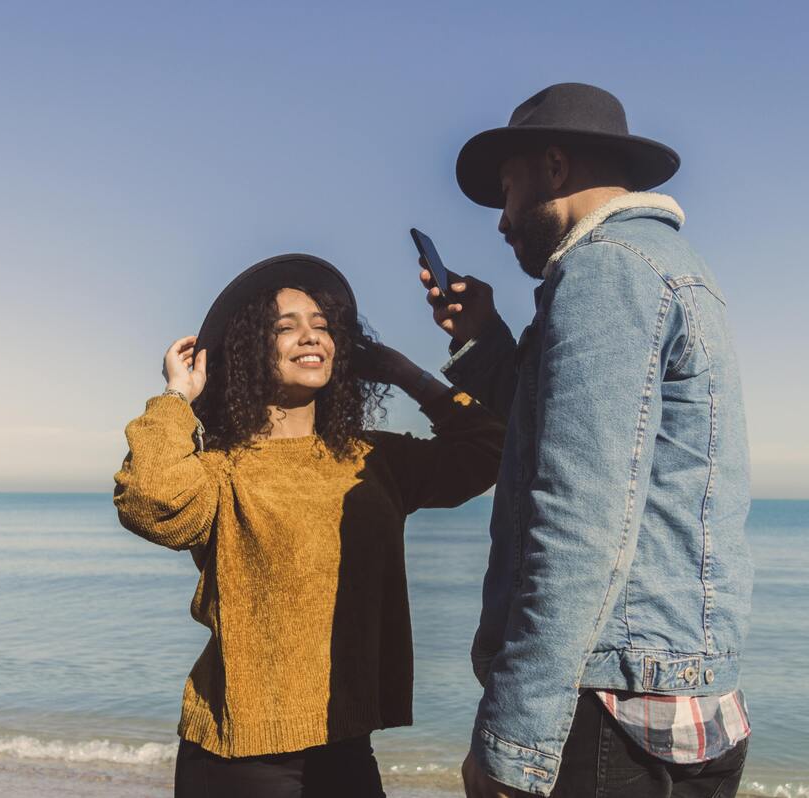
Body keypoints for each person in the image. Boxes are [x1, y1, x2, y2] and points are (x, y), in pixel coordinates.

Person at [419, 83, 754, 798]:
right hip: (680, 696)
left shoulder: (605, 271)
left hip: (608, 710)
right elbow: (579, 437)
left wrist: (514, 741)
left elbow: (581, 518)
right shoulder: (672, 266)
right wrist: (482, 339)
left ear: (555, 166)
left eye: (507, 190)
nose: (503, 221)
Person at [112, 254, 503, 798]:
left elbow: (489, 450)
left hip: (346, 742)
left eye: (322, 326)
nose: (310, 336)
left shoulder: (373, 461)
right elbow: (149, 500)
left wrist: (401, 371)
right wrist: (177, 397)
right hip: (239, 753)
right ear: (252, 349)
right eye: (286, 326)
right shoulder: (221, 470)